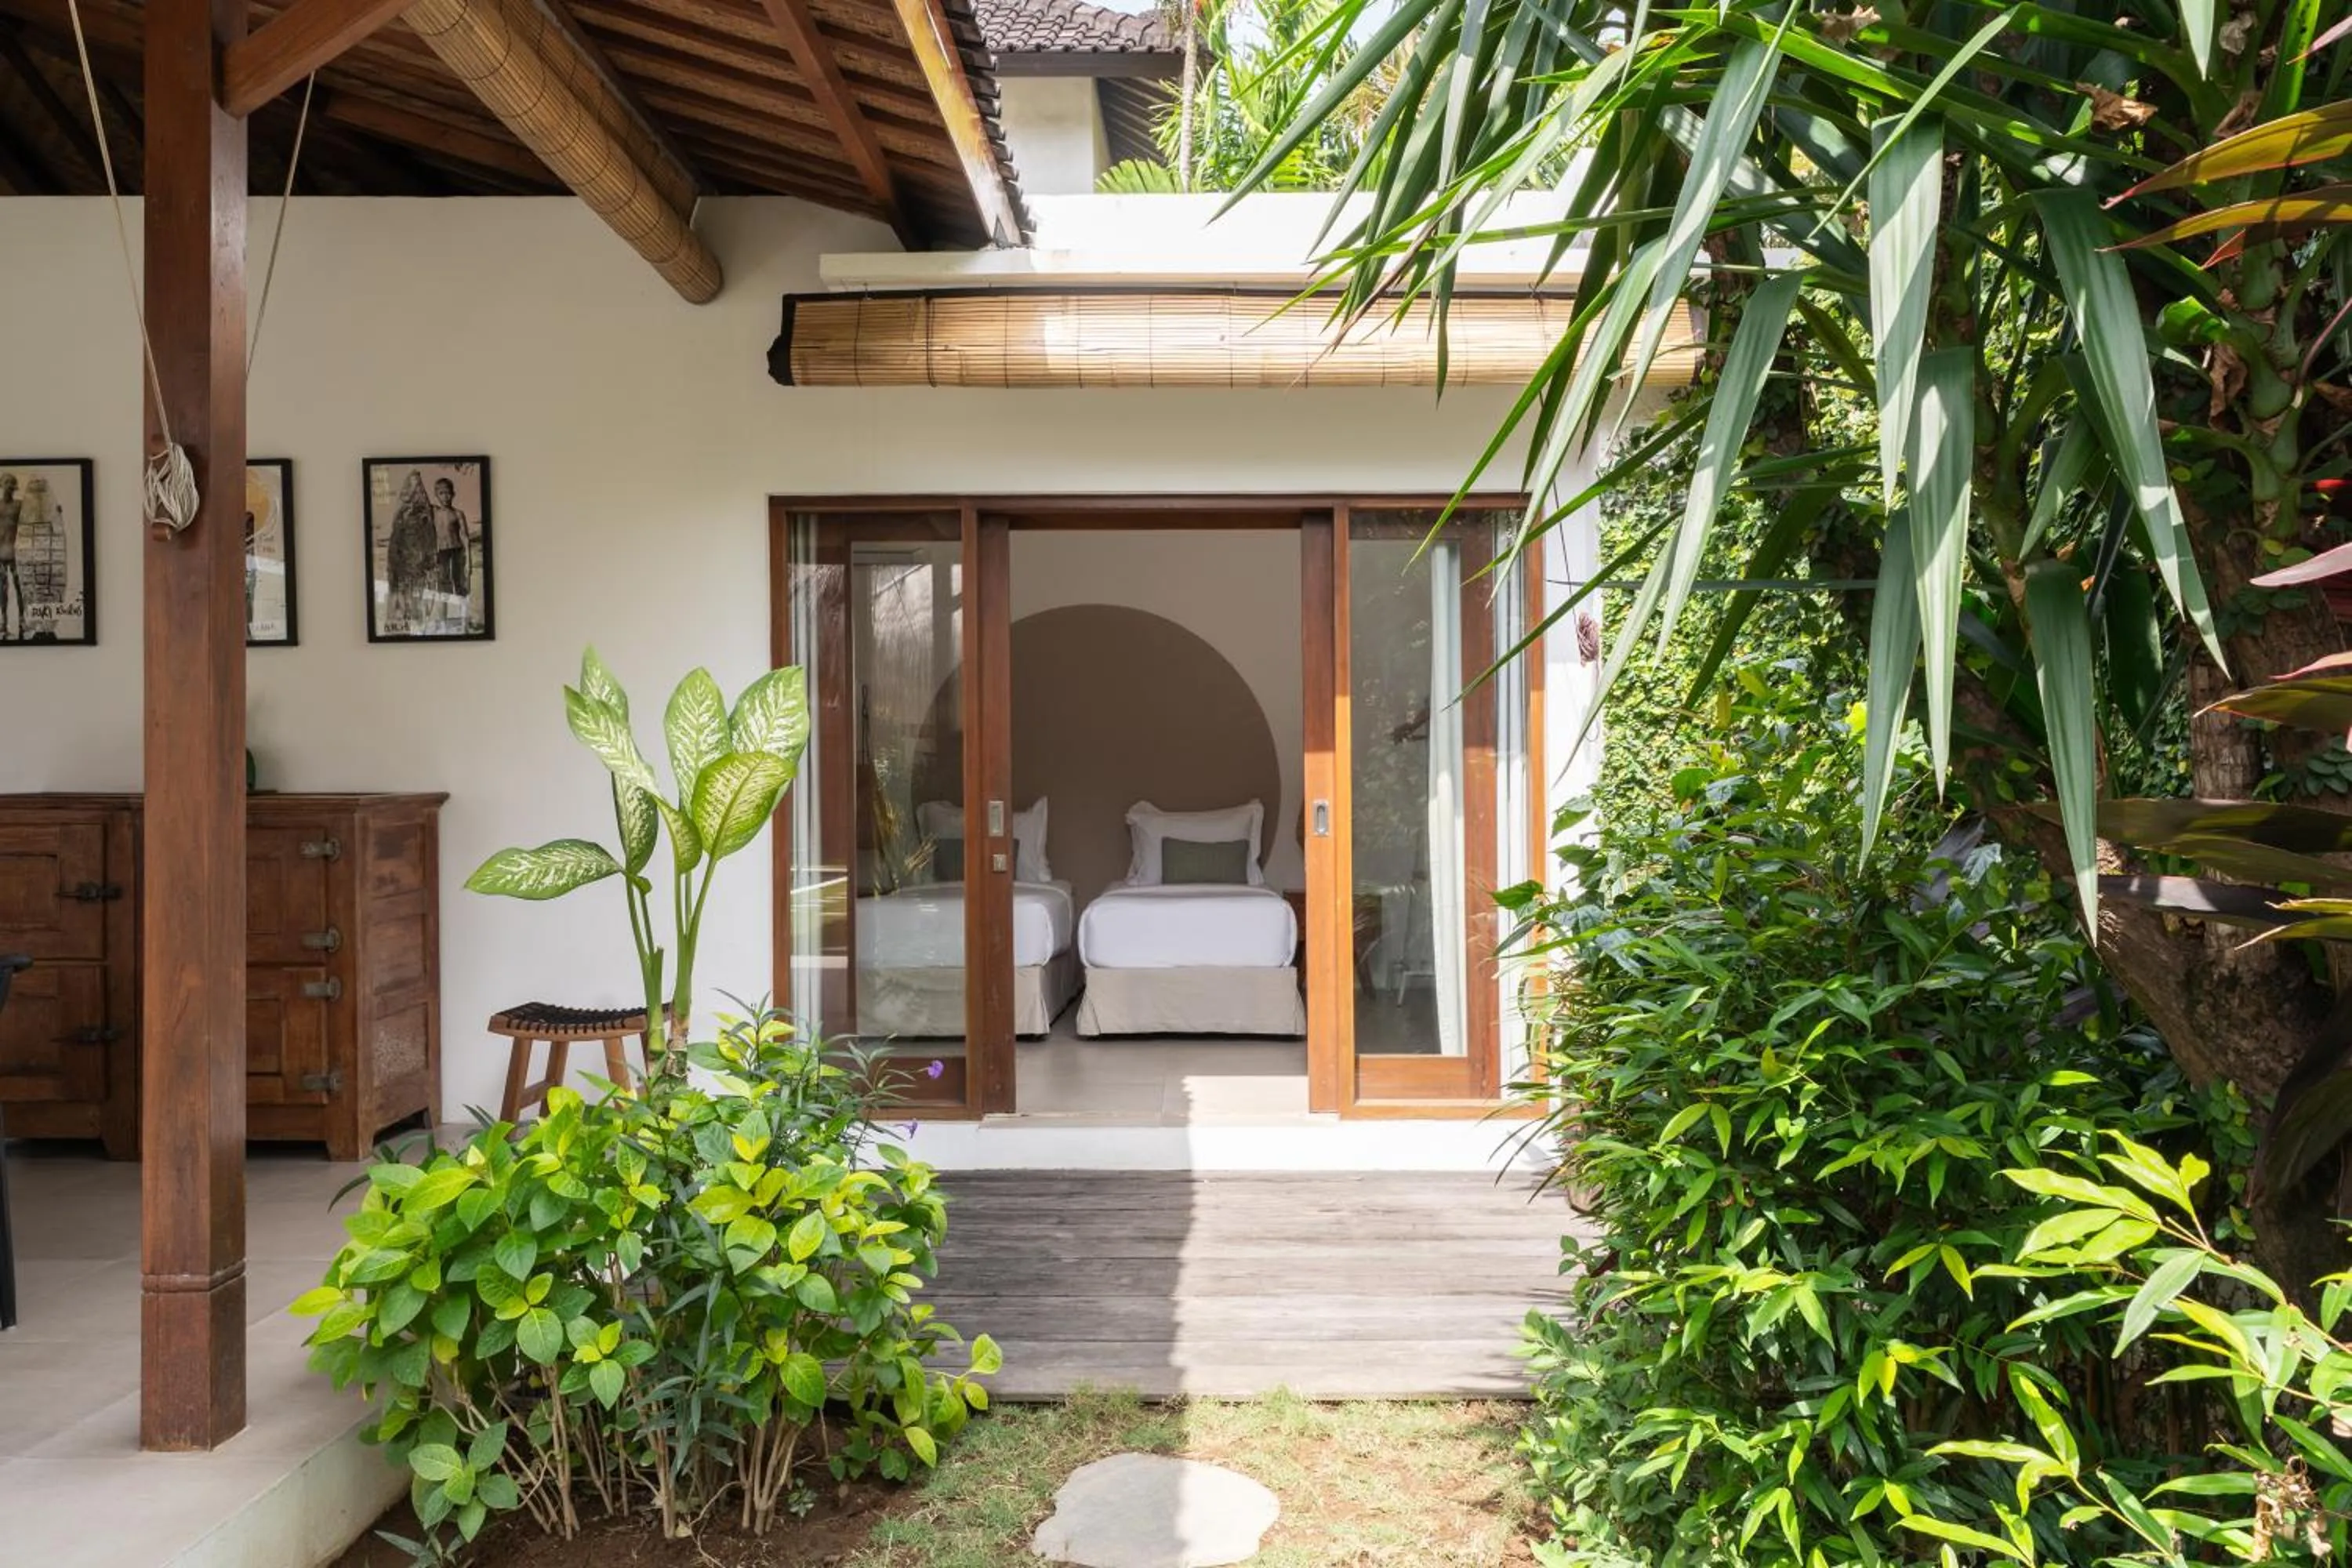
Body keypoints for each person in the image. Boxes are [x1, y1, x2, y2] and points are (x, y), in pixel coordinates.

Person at [430, 476, 472, 620]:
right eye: (441, 493)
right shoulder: (433, 512)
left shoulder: (458, 514)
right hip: (441, 553)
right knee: (443, 589)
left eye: (448, 493)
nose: (445, 497)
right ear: (436, 495)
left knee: (461, 587)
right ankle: (443, 623)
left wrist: (469, 561)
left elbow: (465, 537)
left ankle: (464, 621)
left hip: (457, 552)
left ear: (453, 494)